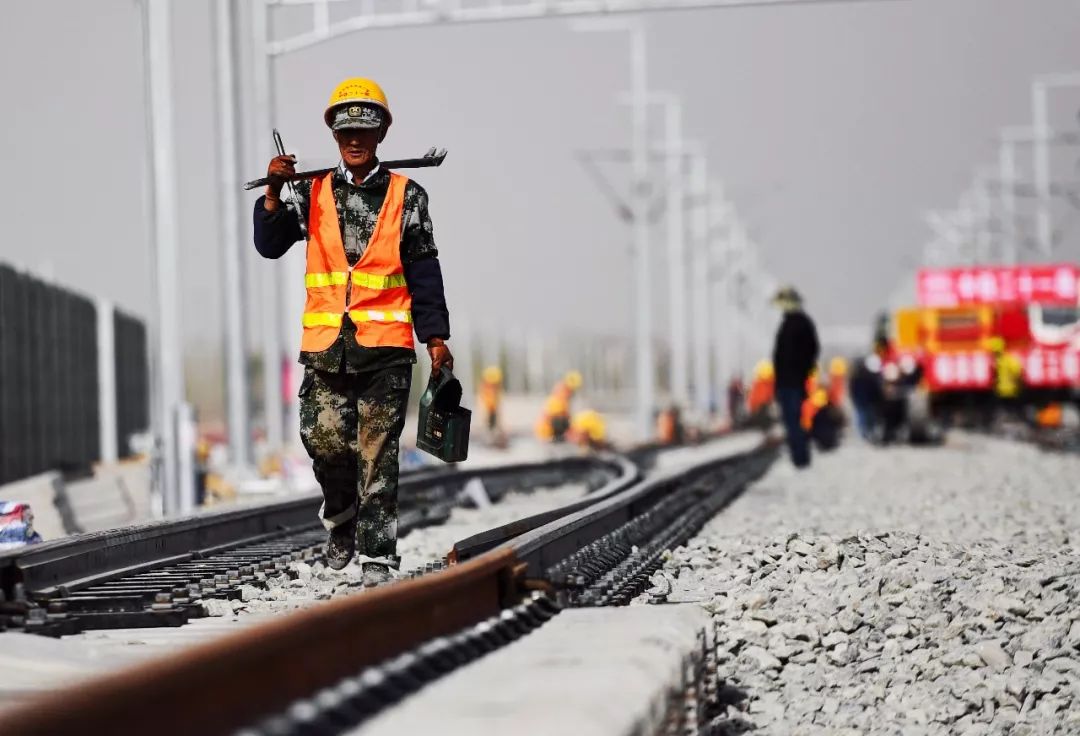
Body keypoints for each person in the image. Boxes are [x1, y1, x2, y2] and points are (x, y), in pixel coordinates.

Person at [252, 77, 453, 584]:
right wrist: (274, 191)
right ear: (334, 136)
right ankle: (341, 516)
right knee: (322, 441)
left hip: (385, 351)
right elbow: (269, 244)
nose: (355, 140)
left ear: (382, 132)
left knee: (377, 456)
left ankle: (378, 556)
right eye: (346, 133)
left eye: (365, 130)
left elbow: (424, 270)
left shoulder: (408, 197)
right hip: (326, 348)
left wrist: (436, 338)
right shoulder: (311, 192)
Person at [771, 286, 820, 468]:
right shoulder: (797, 323)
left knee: (793, 421)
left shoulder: (795, 324)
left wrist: (799, 372)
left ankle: (800, 459)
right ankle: (800, 457)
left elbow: (800, 353)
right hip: (791, 381)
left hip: (791, 382)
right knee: (792, 420)